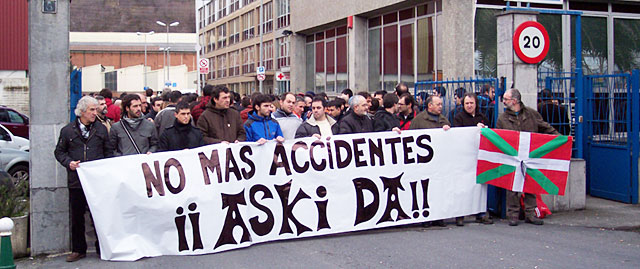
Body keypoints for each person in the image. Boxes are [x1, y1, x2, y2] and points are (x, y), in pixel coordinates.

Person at [54, 96, 111, 262]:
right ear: (82, 112)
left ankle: (102, 247)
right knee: (77, 216)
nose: (95, 112)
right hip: (76, 181)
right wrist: (69, 163)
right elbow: (59, 152)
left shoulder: (100, 129)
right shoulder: (68, 131)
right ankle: (78, 249)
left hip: (96, 181)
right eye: (92, 110)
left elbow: (108, 152)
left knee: (99, 215)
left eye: (96, 109)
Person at [497, 88, 559, 226]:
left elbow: (545, 127)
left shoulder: (531, 114)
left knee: (530, 185)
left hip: (530, 155)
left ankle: (530, 213)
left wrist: (560, 139)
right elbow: (499, 137)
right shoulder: (502, 118)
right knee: (512, 186)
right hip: (512, 156)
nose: (504, 102)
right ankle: (513, 215)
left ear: (514, 101)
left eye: (506, 99)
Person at [452, 92, 493, 226]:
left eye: (471, 103)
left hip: (479, 156)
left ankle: (480, 213)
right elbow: (458, 135)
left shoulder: (483, 118)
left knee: (480, 186)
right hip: (464, 157)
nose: (469, 106)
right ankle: (460, 215)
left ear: (476, 104)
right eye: (466, 103)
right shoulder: (458, 118)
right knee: (463, 186)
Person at [409, 95, 450, 227]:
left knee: (438, 188)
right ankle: (426, 217)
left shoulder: (444, 120)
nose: (440, 107)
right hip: (424, 162)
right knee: (425, 189)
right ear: (429, 106)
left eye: (441, 105)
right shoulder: (419, 120)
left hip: (439, 161)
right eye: (437, 104)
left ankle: (438, 216)